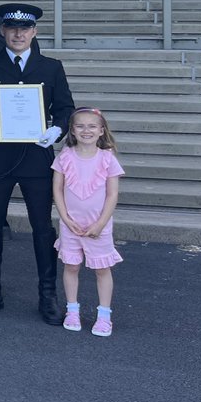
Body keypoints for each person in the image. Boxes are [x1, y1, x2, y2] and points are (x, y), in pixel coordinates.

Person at [0, 3, 75, 325]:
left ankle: (48, 294)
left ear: (34, 33)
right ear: (2, 32)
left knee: (42, 228)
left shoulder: (51, 67)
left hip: (35, 159)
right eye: (12, 28)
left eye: (24, 29)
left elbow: (65, 107)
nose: (18, 34)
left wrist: (58, 128)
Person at [52, 107, 124, 337]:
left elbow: (112, 194)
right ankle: (72, 310)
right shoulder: (64, 156)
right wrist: (65, 218)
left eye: (92, 126)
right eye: (80, 125)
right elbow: (57, 189)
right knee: (71, 266)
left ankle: (104, 315)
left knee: (102, 269)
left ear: (102, 130)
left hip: (97, 226)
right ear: (72, 130)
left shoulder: (107, 158)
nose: (86, 130)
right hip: (71, 224)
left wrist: (101, 223)